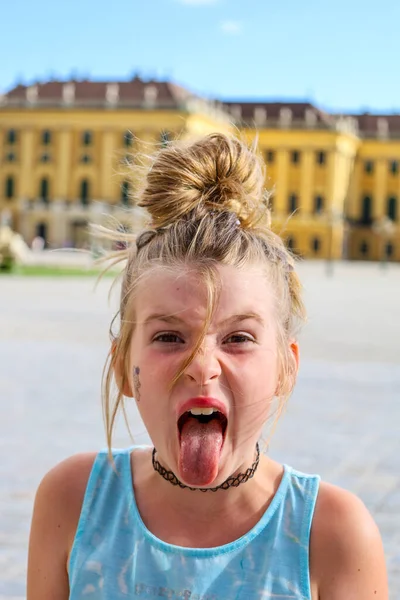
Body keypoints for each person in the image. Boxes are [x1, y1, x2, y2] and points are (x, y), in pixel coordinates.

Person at [27, 133, 388, 599]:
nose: (201, 367)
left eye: (238, 338)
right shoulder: (72, 503)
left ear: (285, 366)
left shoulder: (333, 536)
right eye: (169, 337)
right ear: (122, 367)